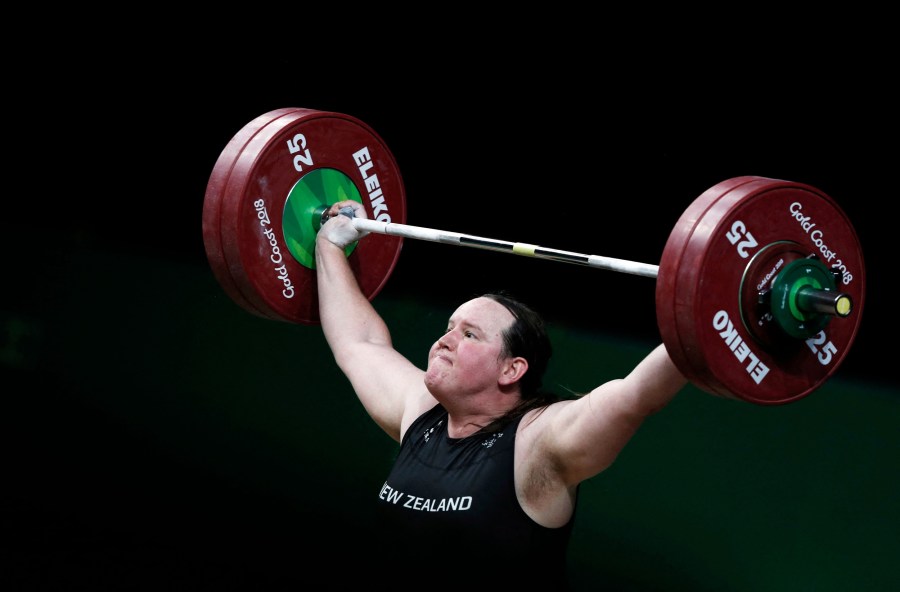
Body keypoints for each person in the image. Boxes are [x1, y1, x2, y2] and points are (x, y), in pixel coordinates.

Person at [315, 200, 688, 589]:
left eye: (469, 334)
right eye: (449, 327)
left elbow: (635, 396)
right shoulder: (422, 412)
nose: (445, 340)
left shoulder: (538, 441)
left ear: (512, 369)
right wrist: (331, 245)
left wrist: (704, 316)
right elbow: (359, 343)